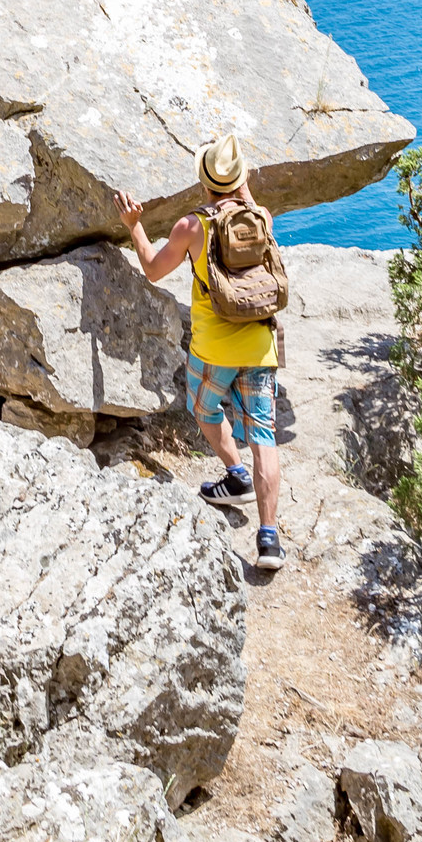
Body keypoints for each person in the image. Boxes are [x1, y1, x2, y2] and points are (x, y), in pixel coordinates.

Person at [113, 134, 284, 570]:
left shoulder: (192, 227)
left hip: (213, 349)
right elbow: (243, 198)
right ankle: (268, 539)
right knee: (264, 435)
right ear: (242, 179)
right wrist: (240, 180)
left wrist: (133, 224)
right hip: (260, 342)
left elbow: (152, 270)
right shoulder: (261, 217)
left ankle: (235, 473)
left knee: (205, 409)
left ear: (204, 182)